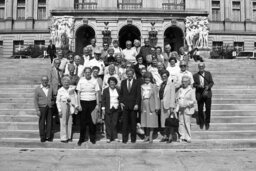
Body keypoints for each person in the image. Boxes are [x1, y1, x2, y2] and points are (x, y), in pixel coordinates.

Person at [76, 67, 100, 146]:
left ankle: (93, 138)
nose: (88, 73)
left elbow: (97, 93)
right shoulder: (81, 80)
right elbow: (78, 93)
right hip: (83, 103)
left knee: (92, 122)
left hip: (92, 103)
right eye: (86, 72)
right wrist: (78, 104)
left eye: (89, 72)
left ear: (91, 73)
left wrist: (97, 104)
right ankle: (81, 139)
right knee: (83, 122)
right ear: (84, 73)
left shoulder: (94, 81)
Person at [119, 68, 141, 143]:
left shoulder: (136, 82)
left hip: (133, 106)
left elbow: (138, 94)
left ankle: (133, 139)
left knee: (133, 123)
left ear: (133, 74)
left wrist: (137, 104)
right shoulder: (123, 82)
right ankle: (124, 139)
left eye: (131, 74)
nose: (129, 75)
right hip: (125, 106)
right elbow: (121, 93)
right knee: (124, 124)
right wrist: (121, 102)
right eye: (128, 74)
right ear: (126, 74)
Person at [56, 76, 78, 143]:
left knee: (69, 122)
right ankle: (63, 138)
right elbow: (58, 101)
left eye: (67, 82)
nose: (66, 83)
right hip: (63, 105)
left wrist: (75, 107)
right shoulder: (60, 90)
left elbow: (75, 98)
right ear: (62, 83)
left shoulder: (72, 90)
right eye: (65, 82)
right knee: (63, 122)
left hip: (70, 106)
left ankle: (69, 137)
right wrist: (59, 110)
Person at [193, 62, 214, 130]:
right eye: (200, 66)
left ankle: (207, 122)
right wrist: (198, 86)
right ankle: (201, 122)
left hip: (207, 93)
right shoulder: (195, 75)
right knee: (200, 109)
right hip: (199, 93)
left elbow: (212, 82)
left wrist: (208, 87)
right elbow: (193, 84)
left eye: (202, 66)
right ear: (198, 67)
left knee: (208, 109)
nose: (201, 67)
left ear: (204, 67)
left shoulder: (208, 73)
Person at [140, 72, 160, 143]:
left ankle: (151, 136)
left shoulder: (154, 86)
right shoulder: (142, 86)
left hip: (151, 104)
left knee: (151, 121)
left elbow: (156, 97)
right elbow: (141, 97)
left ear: (150, 79)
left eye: (148, 79)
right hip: (144, 104)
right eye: (145, 79)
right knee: (145, 121)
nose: (147, 80)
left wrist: (157, 107)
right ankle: (146, 135)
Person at [176, 76, 196, 143]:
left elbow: (193, 101)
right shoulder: (180, 89)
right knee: (181, 123)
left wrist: (185, 104)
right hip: (180, 109)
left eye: (185, 81)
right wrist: (177, 107)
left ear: (188, 82)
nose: (183, 83)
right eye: (182, 81)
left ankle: (188, 137)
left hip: (187, 108)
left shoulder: (191, 90)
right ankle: (182, 136)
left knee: (187, 123)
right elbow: (178, 99)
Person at [34, 76, 54, 142]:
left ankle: (48, 136)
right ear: (41, 81)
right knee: (42, 123)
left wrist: (52, 103)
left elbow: (53, 97)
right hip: (42, 107)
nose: (45, 81)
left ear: (48, 81)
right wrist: (37, 110)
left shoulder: (50, 88)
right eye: (43, 80)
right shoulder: (38, 89)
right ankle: (42, 136)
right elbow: (35, 100)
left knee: (49, 122)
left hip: (49, 107)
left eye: (46, 80)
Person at [159, 70, 176, 143]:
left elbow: (173, 96)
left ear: (168, 77)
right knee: (164, 122)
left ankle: (170, 136)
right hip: (162, 104)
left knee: (170, 122)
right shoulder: (161, 84)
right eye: (162, 76)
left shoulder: (171, 84)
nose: (164, 78)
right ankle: (165, 135)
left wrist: (172, 107)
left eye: (165, 76)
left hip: (168, 105)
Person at [102, 77, 120, 143]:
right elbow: (103, 100)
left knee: (114, 123)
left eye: (113, 82)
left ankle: (115, 137)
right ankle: (109, 137)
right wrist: (103, 108)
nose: (112, 83)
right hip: (108, 108)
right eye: (111, 82)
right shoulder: (105, 90)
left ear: (115, 83)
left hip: (116, 108)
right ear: (109, 83)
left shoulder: (118, 90)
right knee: (108, 123)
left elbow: (120, 98)